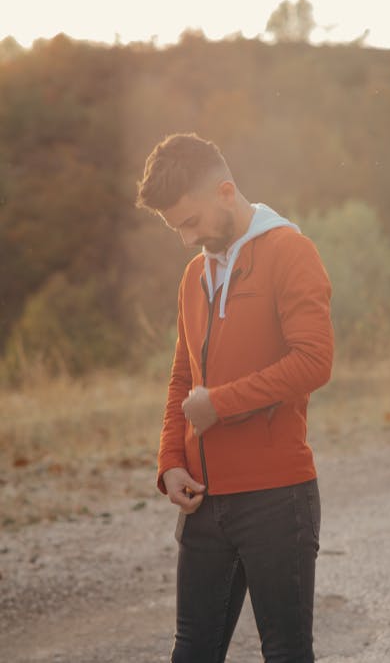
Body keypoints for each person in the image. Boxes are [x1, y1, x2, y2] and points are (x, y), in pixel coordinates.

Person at [136, 132, 334, 663]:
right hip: (203, 499)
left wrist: (221, 402)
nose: (185, 238)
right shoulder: (194, 273)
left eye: (191, 222)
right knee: (193, 652)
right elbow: (183, 376)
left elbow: (315, 361)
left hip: (277, 498)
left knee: (286, 653)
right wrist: (170, 460)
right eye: (176, 227)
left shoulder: (292, 252)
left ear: (225, 191)